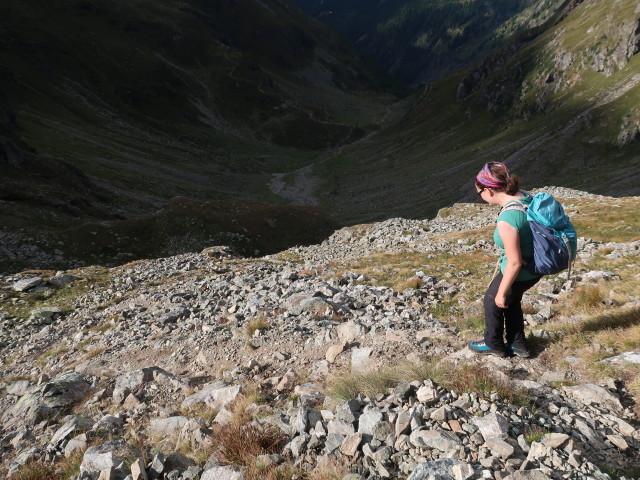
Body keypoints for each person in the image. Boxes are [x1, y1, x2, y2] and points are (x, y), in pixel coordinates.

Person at [468, 162, 541, 358]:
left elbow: (514, 262)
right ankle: (518, 344)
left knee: (493, 300)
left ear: (489, 191)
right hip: (535, 267)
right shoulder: (525, 197)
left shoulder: (509, 217)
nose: (480, 197)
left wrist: (500, 293)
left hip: (521, 269)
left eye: (479, 193)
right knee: (512, 300)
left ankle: (493, 344)